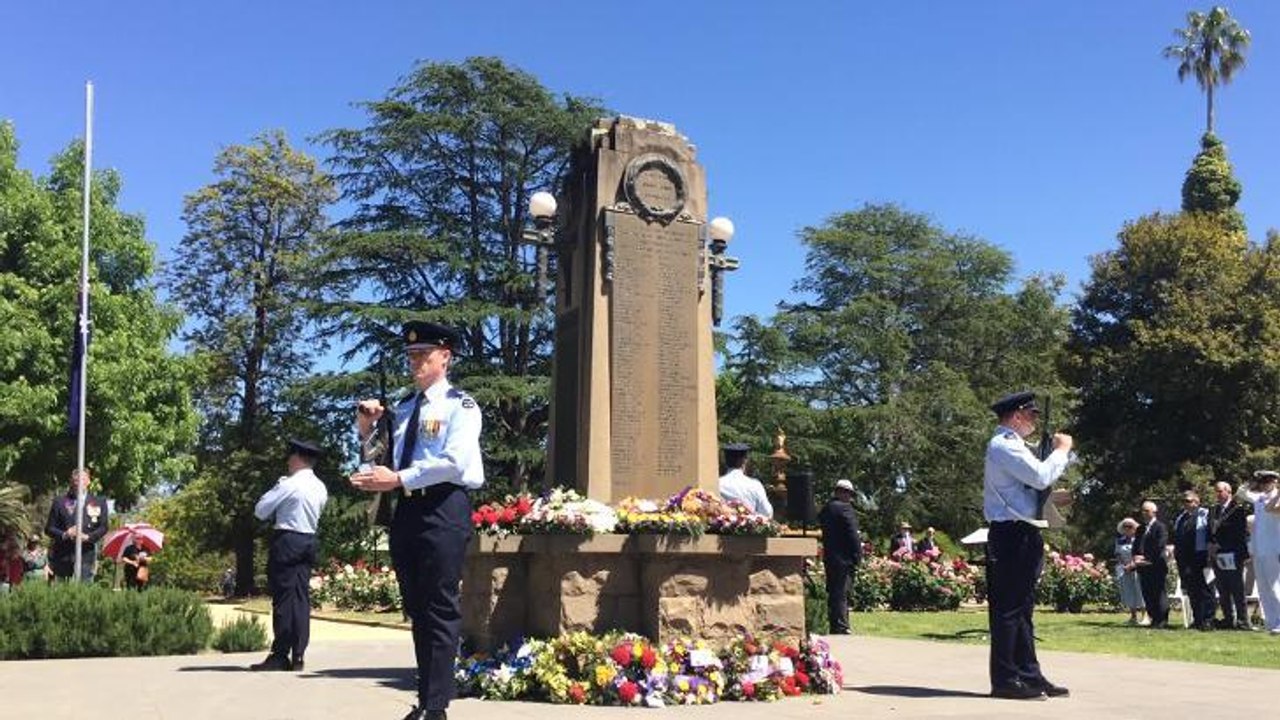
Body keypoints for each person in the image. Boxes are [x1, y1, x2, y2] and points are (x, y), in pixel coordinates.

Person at [351, 321, 484, 720]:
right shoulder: (405, 409)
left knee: (440, 606)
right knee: (417, 608)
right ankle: (426, 699)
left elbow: (454, 462)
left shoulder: (461, 406)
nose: (415, 362)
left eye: (423, 355)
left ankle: (437, 705)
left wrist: (398, 479)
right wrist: (366, 428)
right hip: (408, 511)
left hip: (444, 508)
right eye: (411, 356)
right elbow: (380, 458)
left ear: (445, 357)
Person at [982, 390, 1071, 701]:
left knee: (1023, 609)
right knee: (1008, 609)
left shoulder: (1016, 445)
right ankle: (1006, 678)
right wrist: (1062, 450)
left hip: (1023, 531)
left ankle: (1028, 674)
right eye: (1031, 414)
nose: (1035, 420)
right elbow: (1039, 476)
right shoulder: (1003, 445)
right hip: (1011, 533)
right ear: (1016, 416)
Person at [250, 438, 329, 672]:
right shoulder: (320, 486)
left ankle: (280, 654)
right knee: (301, 598)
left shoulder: (289, 484)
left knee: (284, 598)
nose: (287, 461)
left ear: (297, 458)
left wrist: (278, 486)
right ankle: (299, 654)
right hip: (308, 539)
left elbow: (261, 511)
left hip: (287, 539)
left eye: (290, 456)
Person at [44, 469, 109, 581]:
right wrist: (65, 534)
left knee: (84, 591)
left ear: (88, 481)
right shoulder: (59, 501)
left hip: (86, 555)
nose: (79, 483)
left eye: (83, 479)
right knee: (62, 592)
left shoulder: (99, 502)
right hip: (63, 555)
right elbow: (49, 528)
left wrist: (88, 537)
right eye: (76, 480)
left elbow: (103, 527)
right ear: (71, 482)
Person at [818, 479, 862, 635]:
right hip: (844, 558)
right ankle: (842, 626)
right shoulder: (845, 509)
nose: (850, 497)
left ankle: (834, 624)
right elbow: (852, 535)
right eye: (849, 494)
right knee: (843, 592)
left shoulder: (826, 509)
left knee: (833, 591)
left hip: (830, 556)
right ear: (843, 493)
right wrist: (858, 555)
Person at [1241, 470, 1280, 634]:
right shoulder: (1259, 497)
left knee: (1275, 586)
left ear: (1274, 482)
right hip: (1259, 548)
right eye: (1262, 482)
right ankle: (1271, 622)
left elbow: (1272, 509)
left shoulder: (1276, 497)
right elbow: (1241, 492)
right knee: (1263, 588)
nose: (1263, 485)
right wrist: (1251, 480)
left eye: (1266, 482)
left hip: (1274, 548)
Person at [1208, 480, 1251, 630]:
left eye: (1220, 491)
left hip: (1233, 554)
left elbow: (1239, 533)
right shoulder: (1213, 510)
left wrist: (1222, 545)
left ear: (1228, 492)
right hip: (1217, 555)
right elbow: (1210, 530)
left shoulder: (1237, 510)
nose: (1217, 494)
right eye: (1216, 491)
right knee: (1223, 589)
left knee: (1236, 589)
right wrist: (1211, 544)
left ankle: (1242, 621)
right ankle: (1228, 619)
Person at [1172, 490, 1214, 630]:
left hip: (1200, 556)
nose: (1185, 504)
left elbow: (1210, 534)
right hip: (1184, 559)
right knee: (1191, 590)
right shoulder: (1181, 517)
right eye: (1184, 501)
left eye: (1188, 501)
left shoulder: (1205, 514)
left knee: (1203, 589)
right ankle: (1197, 619)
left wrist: (1209, 553)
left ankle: (1207, 619)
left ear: (1197, 501)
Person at [1133, 500, 1170, 628]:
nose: (1144, 513)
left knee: (1158, 593)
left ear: (1154, 512)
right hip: (1143, 567)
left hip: (1156, 565)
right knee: (1147, 593)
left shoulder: (1160, 527)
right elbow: (1136, 545)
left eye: (1146, 511)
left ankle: (1162, 620)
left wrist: (1146, 557)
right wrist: (1136, 557)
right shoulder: (1140, 529)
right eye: (1142, 510)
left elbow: (1159, 546)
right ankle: (1153, 618)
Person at [716, 443, 773, 517]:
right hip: (750, 526)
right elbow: (767, 512)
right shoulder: (755, 485)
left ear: (725, 461)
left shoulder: (717, 483)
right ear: (744, 461)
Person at [1113, 518, 1146, 625]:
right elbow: (1117, 553)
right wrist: (1125, 565)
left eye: (1130, 527)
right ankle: (1133, 617)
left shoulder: (1139, 539)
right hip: (1124, 568)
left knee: (1140, 591)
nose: (1127, 529)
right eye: (1125, 527)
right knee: (1129, 592)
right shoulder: (1119, 540)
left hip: (1137, 567)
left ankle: (1145, 616)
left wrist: (1133, 564)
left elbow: (1141, 553)